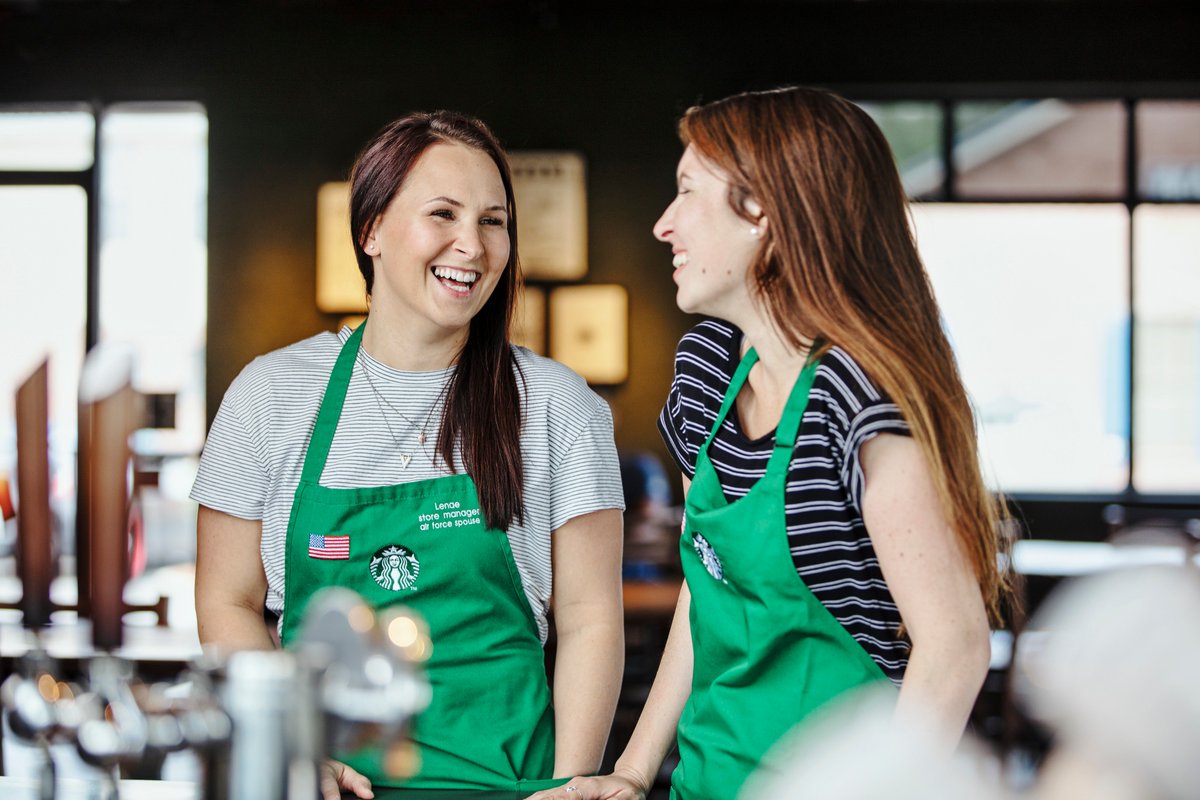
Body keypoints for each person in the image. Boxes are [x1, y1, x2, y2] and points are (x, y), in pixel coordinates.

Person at [529, 86, 1014, 800]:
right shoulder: (708, 377)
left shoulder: (860, 399)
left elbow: (955, 650)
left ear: (764, 213)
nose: (664, 225)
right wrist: (632, 772)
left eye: (687, 192)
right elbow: (708, 588)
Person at [191, 111, 625, 798]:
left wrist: (567, 786)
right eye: (443, 214)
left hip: (507, 789)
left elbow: (591, 619)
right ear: (371, 231)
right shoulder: (270, 395)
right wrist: (294, 749)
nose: (472, 246)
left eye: (493, 220)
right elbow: (225, 600)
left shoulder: (556, 404)